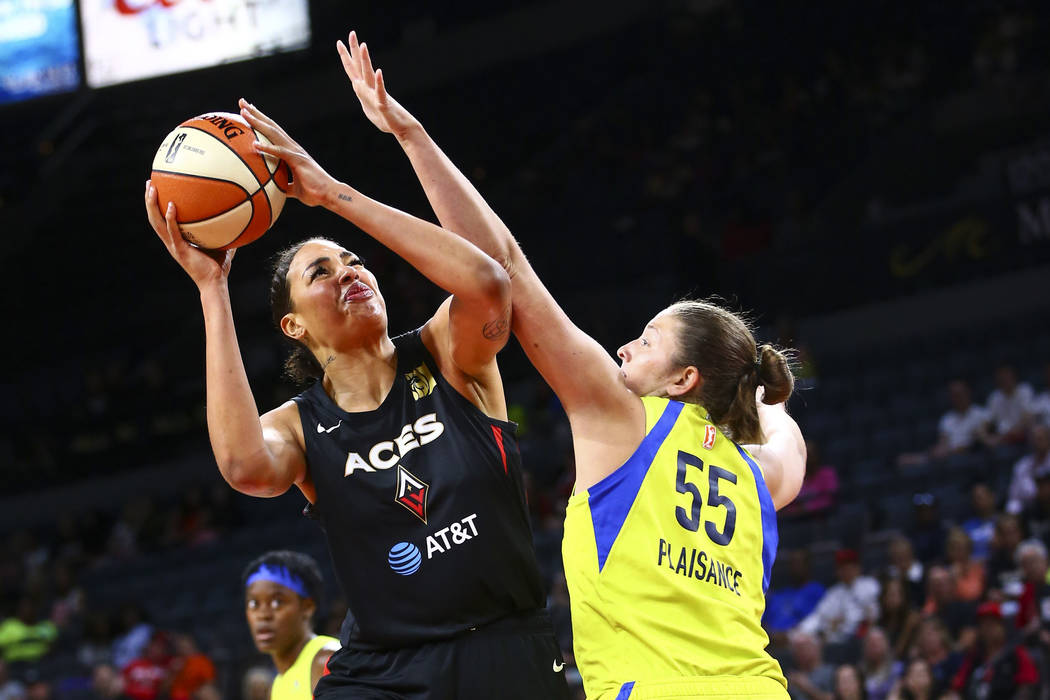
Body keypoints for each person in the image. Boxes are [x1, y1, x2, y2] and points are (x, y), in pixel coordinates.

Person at [339, 29, 806, 699]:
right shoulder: (761, 476)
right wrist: (765, 396)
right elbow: (786, 434)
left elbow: (500, 262)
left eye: (647, 341)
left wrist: (411, 136)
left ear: (684, 380)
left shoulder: (623, 416)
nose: (625, 348)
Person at [145, 93, 570, 699]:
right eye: (320, 273)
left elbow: (487, 280)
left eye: (352, 261)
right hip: (384, 673)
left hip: (505, 651)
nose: (348, 272)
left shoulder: (447, 353)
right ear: (294, 327)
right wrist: (212, 289)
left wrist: (329, 193)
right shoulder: (300, 425)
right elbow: (244, 466)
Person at [242, 551, 338, 699]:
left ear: (307, 607)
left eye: (277, 602)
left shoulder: (327, 661)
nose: (263, 615)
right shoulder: (277, 685)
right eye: (254, 603)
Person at [949, 601, 1040, 699]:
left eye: (993, 624)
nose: (988, 629)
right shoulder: (974, 657)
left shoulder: (1016, 654)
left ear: (1003, 627)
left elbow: (1027, 685)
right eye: (984, 625)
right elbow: (958, 686)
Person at [797, 549, 880, 645]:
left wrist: (842, 621)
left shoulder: (870, 585)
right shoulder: (834, 593)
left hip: (865, 639)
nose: (846, 572)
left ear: (858, 568)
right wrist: (801, 631)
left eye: (849, 567)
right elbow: (818, 616)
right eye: (842, 568)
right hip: (839, 642)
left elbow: (873, 614)